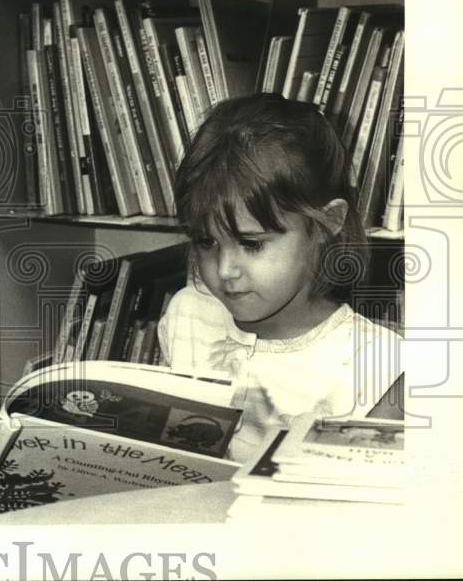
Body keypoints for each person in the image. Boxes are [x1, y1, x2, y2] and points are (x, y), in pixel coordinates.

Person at [156, 93, 402, 464]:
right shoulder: (186, 314)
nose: (224, 270)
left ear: (326, 223)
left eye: (252, 244)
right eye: (206, 241)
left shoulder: (380, 364)